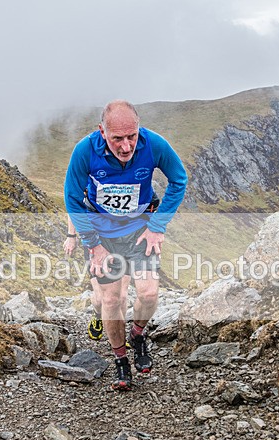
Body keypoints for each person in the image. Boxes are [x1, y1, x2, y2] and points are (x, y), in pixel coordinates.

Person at [65, 100, 188, 391]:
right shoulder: (85, 151)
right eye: (117, 138)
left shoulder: (154, 144)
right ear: (102, 132)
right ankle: (121, 359)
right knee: (111, 300)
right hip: (102, 235)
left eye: (131, 136)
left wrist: (157, 226)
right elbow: (72, 199)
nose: (126, 146)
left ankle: (138, 334)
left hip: (140, 231)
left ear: (139, 129)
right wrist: (93, 245)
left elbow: (178, 180)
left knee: (149, 293)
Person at [64, 215, 130, 341]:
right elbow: (75, 207)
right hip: (95, 241)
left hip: (125, 238)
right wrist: (71, 235)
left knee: (121, 296)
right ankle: (98, 315)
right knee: (100, 299)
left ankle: (120, 336)